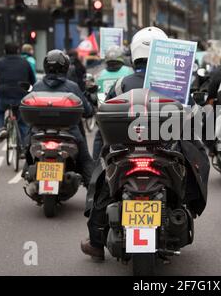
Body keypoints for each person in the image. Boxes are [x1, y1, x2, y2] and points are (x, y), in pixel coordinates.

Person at [81, 27, 210, 260]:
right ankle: (190, 206)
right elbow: (194, 115)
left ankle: (96, 242)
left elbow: (105, 117)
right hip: (166, 150)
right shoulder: (175, 84)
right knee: (198, 157)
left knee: (101, 180)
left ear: (133, 54)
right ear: (164, 54)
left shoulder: (121, 84)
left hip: (126, 152)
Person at [25, 50, 94, 190]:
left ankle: (27, 171)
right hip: (70, 133)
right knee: (85, 159)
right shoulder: (72, 87)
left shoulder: (37, 86)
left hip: (39, 132)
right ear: (65, 67)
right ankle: (93, 195)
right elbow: (87, 111)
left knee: (27, 148)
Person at [92, 45, 134, 161]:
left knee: (99, 137)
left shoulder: (99, 75)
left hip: (106, 115)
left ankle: (96, 163)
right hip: (126, 114)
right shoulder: (129, 71)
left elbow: (94, 95)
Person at [0, 42, 36, 144]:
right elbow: (32, 80)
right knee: (22, 122)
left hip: (4, 93)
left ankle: (2, 128)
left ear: (4, 51)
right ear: (18, 51)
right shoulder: (25, 62)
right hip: (21, 94)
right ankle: (24, 146)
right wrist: (31, 91)